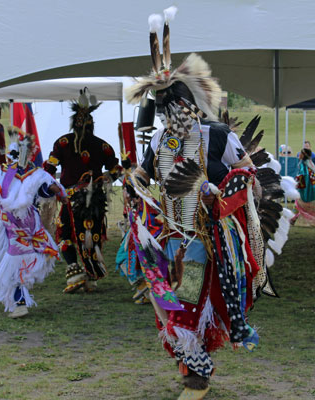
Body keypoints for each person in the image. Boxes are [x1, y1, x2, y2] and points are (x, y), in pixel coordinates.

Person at [123, 7, 293, 400]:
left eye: (172, 109)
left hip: (203, 236)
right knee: (164, 301)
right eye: (162, 111)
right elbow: (143, 175)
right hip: (166, 236)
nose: (168, 117)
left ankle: (196, 378)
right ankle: (191, 364)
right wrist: (133, 183)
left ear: (187, 105)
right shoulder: (164, 141)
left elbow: (248, 174)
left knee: (186, 304)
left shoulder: (216, 135)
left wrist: (218, 192)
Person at [0, 128, 67, 318]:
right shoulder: (32, 174)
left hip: (16, 225)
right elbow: (51, 187)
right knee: (23, 259)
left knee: (16, 263)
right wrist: (61, 195)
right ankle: (20, 298)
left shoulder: (9, 173)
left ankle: (19, 300)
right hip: (23, 225)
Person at [44, 89, 121, 294]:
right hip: (86, 199)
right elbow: (116, 170)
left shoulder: (64, 143)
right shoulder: (99, 145)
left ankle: (80, 273)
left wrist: (107, 177)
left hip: (83, 199)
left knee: (73, 233)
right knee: (85, 234)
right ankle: (86, 275)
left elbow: (48, 170)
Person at [291, 148, 315, 225]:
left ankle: (293, 219)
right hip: (308, 188)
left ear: (304, 155)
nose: (299, 155)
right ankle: (293, 219)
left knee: (298, 203)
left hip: (306, 189)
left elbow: (304, 175)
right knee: (298, 204)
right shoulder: (308, 163)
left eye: (300, 153)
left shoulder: (305, 164)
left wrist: (297, 181)